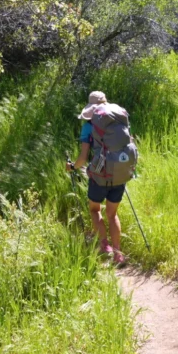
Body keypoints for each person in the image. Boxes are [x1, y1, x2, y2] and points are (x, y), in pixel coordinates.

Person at [67, 90, 127, 265]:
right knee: (112, 214)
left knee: (95, 209)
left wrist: (72, 167)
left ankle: (104, 245)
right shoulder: (119, 121)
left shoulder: (89, 126)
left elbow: (83, 158)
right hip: (120, 172)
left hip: (99, 175)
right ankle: (118, 254)